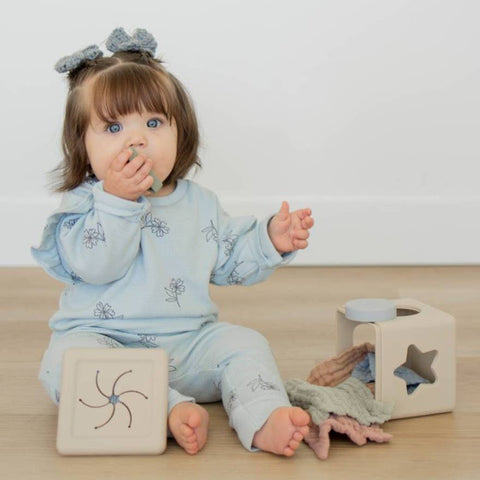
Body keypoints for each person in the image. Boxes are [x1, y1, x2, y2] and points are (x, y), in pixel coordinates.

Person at [32, 27, 314, 456]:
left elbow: (227, 262)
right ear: (81, 145)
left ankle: (262, 416)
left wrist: (270, 239)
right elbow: (96, 265)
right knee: (64, 366)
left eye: (152, 122)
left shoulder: (199, 204)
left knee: (244, 344)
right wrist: (117, 202)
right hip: (104, 340)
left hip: (189, 345)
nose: (135, 139)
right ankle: (166, 410)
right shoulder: (85, 206)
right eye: (112, 127)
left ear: (181, 130)